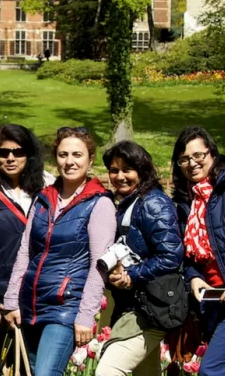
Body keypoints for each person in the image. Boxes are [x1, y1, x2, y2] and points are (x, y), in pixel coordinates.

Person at [3, 127, 116, 376]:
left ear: (90, 159)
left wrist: (87, 316)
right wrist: (12, 300)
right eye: (63, 155)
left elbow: (100, 265)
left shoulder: (99, 203)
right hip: (31, 305)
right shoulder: (43, 198)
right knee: (29, 371)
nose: (70, 161)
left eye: (77, 154)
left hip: (65, 308)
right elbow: (25, 251)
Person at [170, 126, 225, 376]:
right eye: (184, 159)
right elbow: (188, 254)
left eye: (199, 155)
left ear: (213, 154)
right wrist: (194, 276)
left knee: (212, 371)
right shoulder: (187, 202)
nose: (192, 163)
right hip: (212, 301)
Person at [0, 124, 52, 376]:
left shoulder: (46, 192)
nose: (11, 158)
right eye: (4, 153)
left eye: (18, 151)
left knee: (33, 368)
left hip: (38, 297)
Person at [94, 141, 184, 376]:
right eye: (114, 170)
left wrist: (130, 275)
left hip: (151, 306)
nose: (120, 176)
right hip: (135, 303)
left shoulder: (153, 202)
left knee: (108, 370)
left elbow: (171, 256)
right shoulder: (128, 202)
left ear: (142, 170)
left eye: (127, 170)